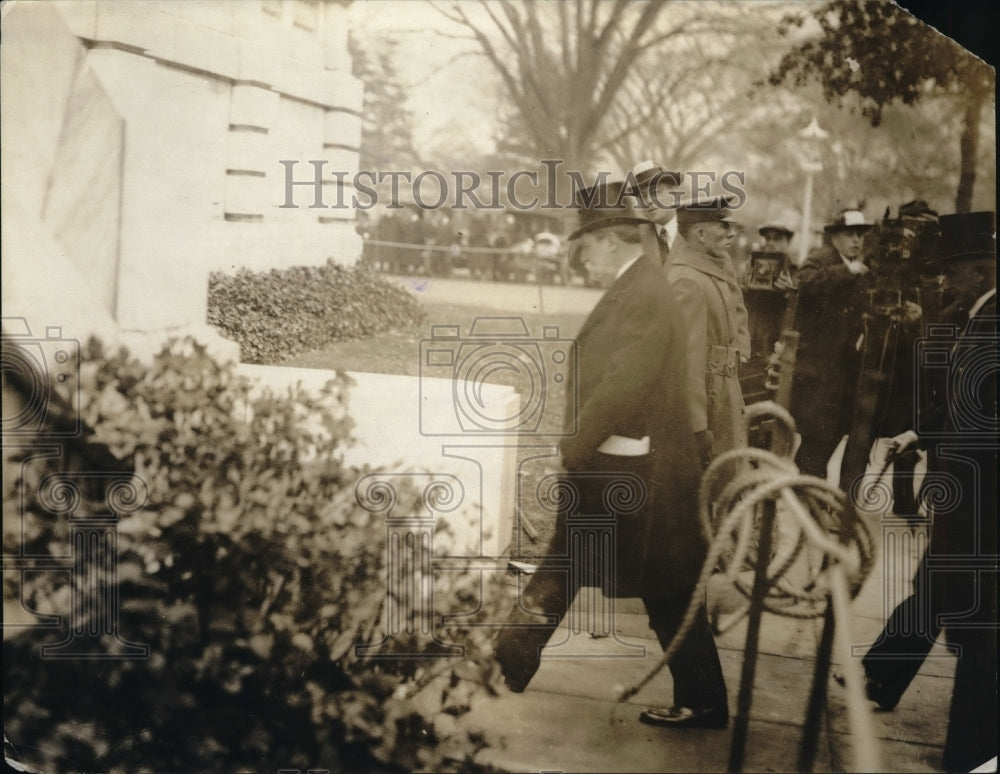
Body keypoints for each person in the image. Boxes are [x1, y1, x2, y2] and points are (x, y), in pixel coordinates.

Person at [495, 180, 729, 730]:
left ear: (612, 240)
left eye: (586, 246)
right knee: (586, 571)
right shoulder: (639, 286)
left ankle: (503, 668)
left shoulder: (644, 291)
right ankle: (505, 665)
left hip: (628, 472)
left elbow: (626, 384)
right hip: (628, 471)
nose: (580, 258)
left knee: (654, 586)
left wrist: (571, 447)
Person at [861, 210, 997, 773]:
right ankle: (886, 675)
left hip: (986, 499)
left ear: (985, 267)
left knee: (978, 625)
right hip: (969, 492)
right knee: (948, 592)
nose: (946, 280)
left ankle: (972, 752)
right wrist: (919, 435)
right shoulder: (977, 314)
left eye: (956, 270)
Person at [789, 208, 875, 480]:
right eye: (850, 234)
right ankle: (809, 502)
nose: (856, 241)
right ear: (834, 237)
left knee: (829, 438)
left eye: (860, 235)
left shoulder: (860, 268)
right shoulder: (820, 260)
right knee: (817, 439)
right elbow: (802, 284)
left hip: (843, 373)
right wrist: (845, 272)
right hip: (817, 374)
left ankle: (810, 494)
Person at [668, 196, 751, 466]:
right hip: (709, 404)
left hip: (724, 393)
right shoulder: (686, 280)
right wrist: (697, 426)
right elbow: (686, 362)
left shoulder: (711, 267)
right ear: (701, 233)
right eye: (724, 226)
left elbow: (737, 311)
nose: (732, 233)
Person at [628, 160, 684, 263]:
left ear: (673, 192)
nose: (649, 201)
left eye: (655, 192)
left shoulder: (695, 231)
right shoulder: (638, 241)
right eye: (643, 196)